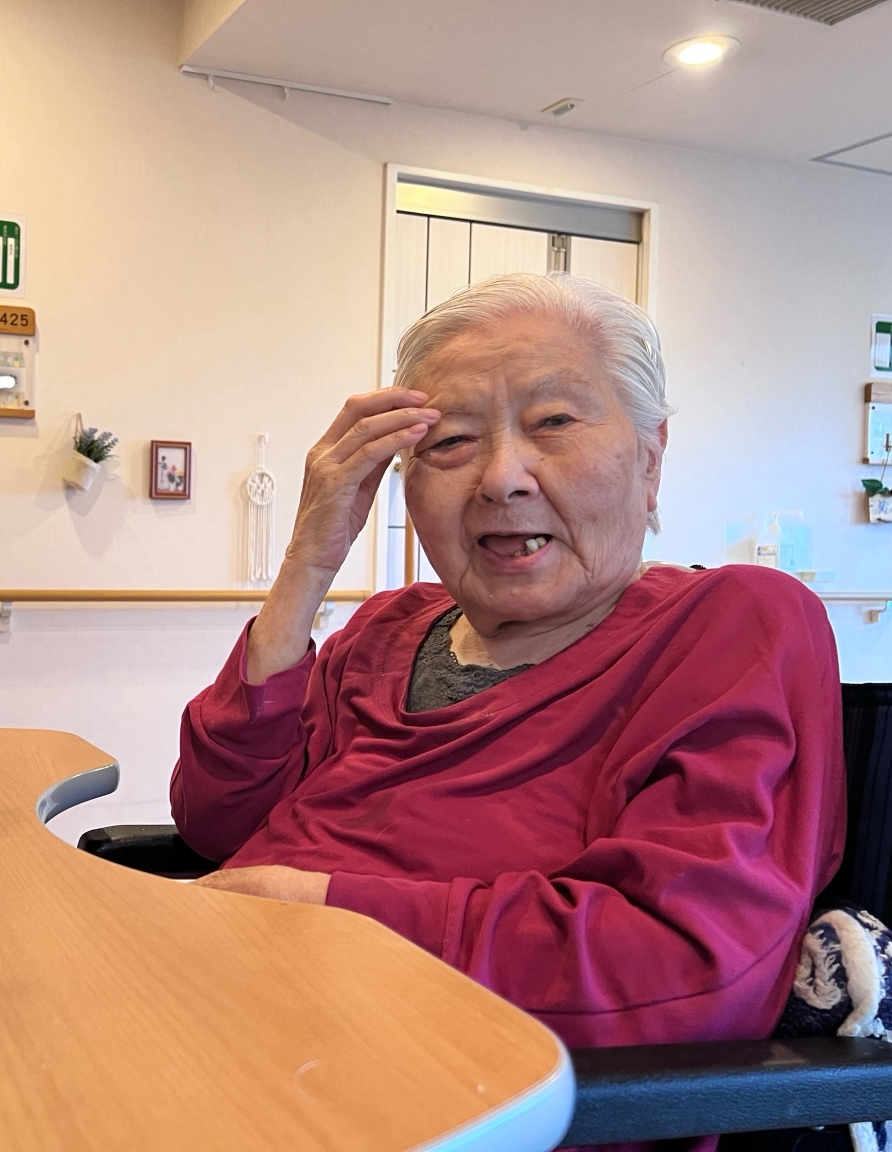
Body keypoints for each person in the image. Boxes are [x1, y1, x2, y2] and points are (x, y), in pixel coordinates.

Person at [173, 273, 845, 1060]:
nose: (500, 478)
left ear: (651, 459)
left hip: (431, 1074)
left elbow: (684, 966)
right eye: (451, 442)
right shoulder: (386, 630)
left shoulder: (730, 626)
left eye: (553, 422)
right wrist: (306, 565)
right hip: (232, 1009)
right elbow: (217, 822)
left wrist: (321, 909)